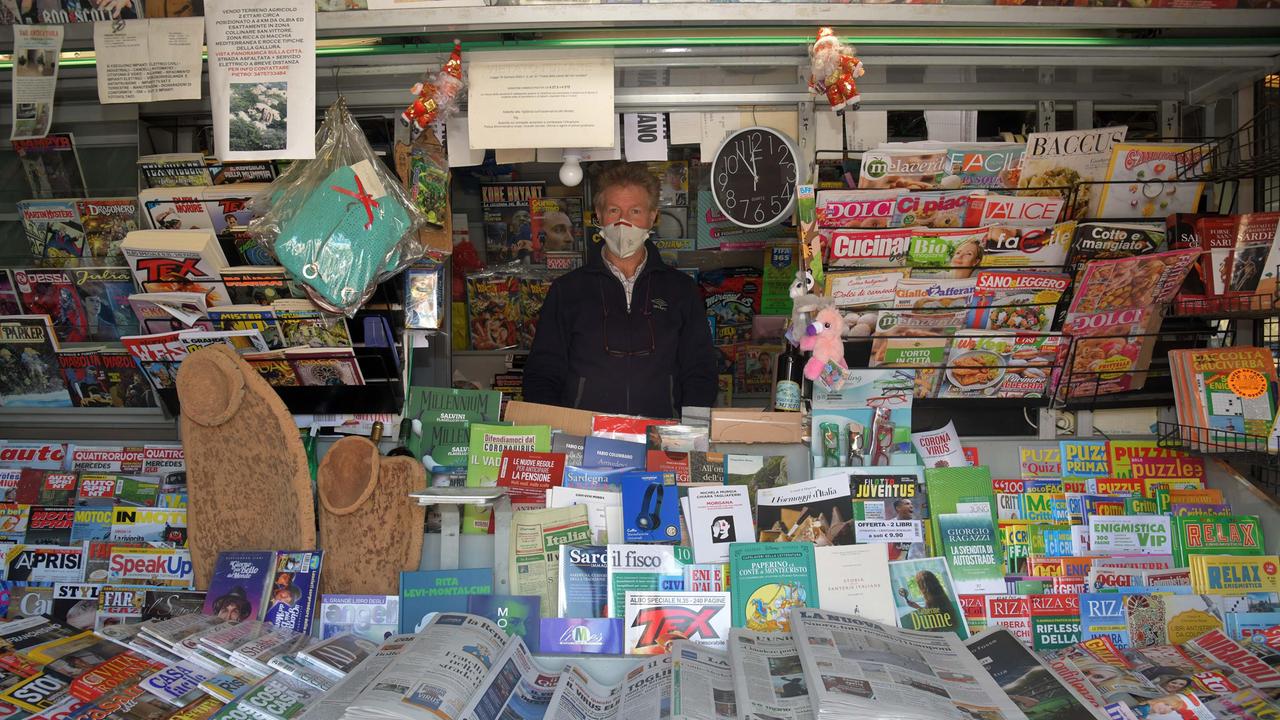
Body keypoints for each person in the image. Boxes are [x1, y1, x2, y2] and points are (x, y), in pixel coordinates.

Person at [523, 162, 717, 418]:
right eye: (614, 210)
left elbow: (700, 372)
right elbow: (542, 373)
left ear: (653, 216)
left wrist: (689, 435)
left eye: (635, 211)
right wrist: (554, 433)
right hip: (586, 441)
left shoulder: (681, 291)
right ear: (599, 215)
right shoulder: (567, 290)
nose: (623, 222)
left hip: (660, 439)